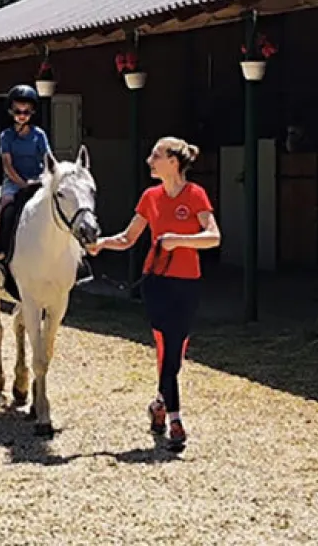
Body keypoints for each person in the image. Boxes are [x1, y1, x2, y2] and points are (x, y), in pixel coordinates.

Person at [87, 136, 220, 449]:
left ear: (173, 162)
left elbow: (213, 237)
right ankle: (175, 421)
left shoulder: (195, 194)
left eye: (156, 155)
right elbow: (128, 238)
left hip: (188, 282)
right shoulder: (150, 197)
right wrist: (102, 244)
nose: (149, 161)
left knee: (177, 350)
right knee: (166, 346)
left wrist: (177, 240)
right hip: (157, 282)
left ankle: (159, 403)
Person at [0, 84, 50, 265]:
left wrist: (44, 179)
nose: (22, 115)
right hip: (14, 181)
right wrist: (22, 184)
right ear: (11, 112)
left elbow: (47, 160)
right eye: (18, 111)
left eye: (26, 112)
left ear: (32, 112)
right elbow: (7, 165)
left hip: (37, 180)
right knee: (5, 205)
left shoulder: (39, 135)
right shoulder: (6, 136)